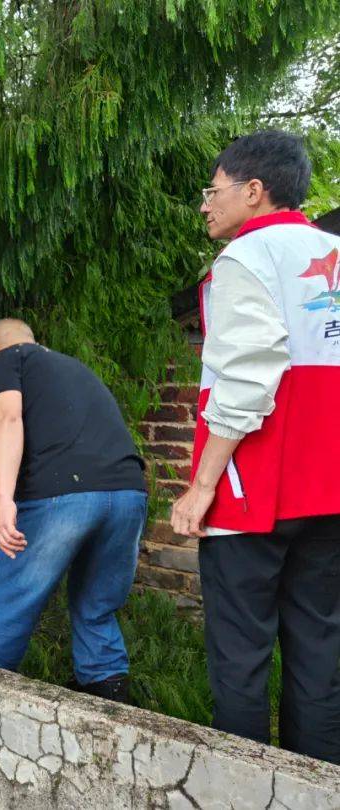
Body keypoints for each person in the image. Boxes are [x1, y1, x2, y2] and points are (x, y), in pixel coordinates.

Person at [171, 130, 340, 763]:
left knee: (240, 659)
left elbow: (246, 379)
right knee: (319, 652)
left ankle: (242, 787)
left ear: (253, 190)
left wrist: (204, 485)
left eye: (212, 192)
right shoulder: (333, 252)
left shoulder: (247, 260)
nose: (205, 205)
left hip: (256, 493)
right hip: (330, 490)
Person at [0, 319, 147, 702]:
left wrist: (3, 501)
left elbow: (7, 419)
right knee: (96, 609)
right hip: (128, 493)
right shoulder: (73, 368)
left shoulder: (6, 359)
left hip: (65, 497)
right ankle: (111, 713)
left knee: (13, 601)